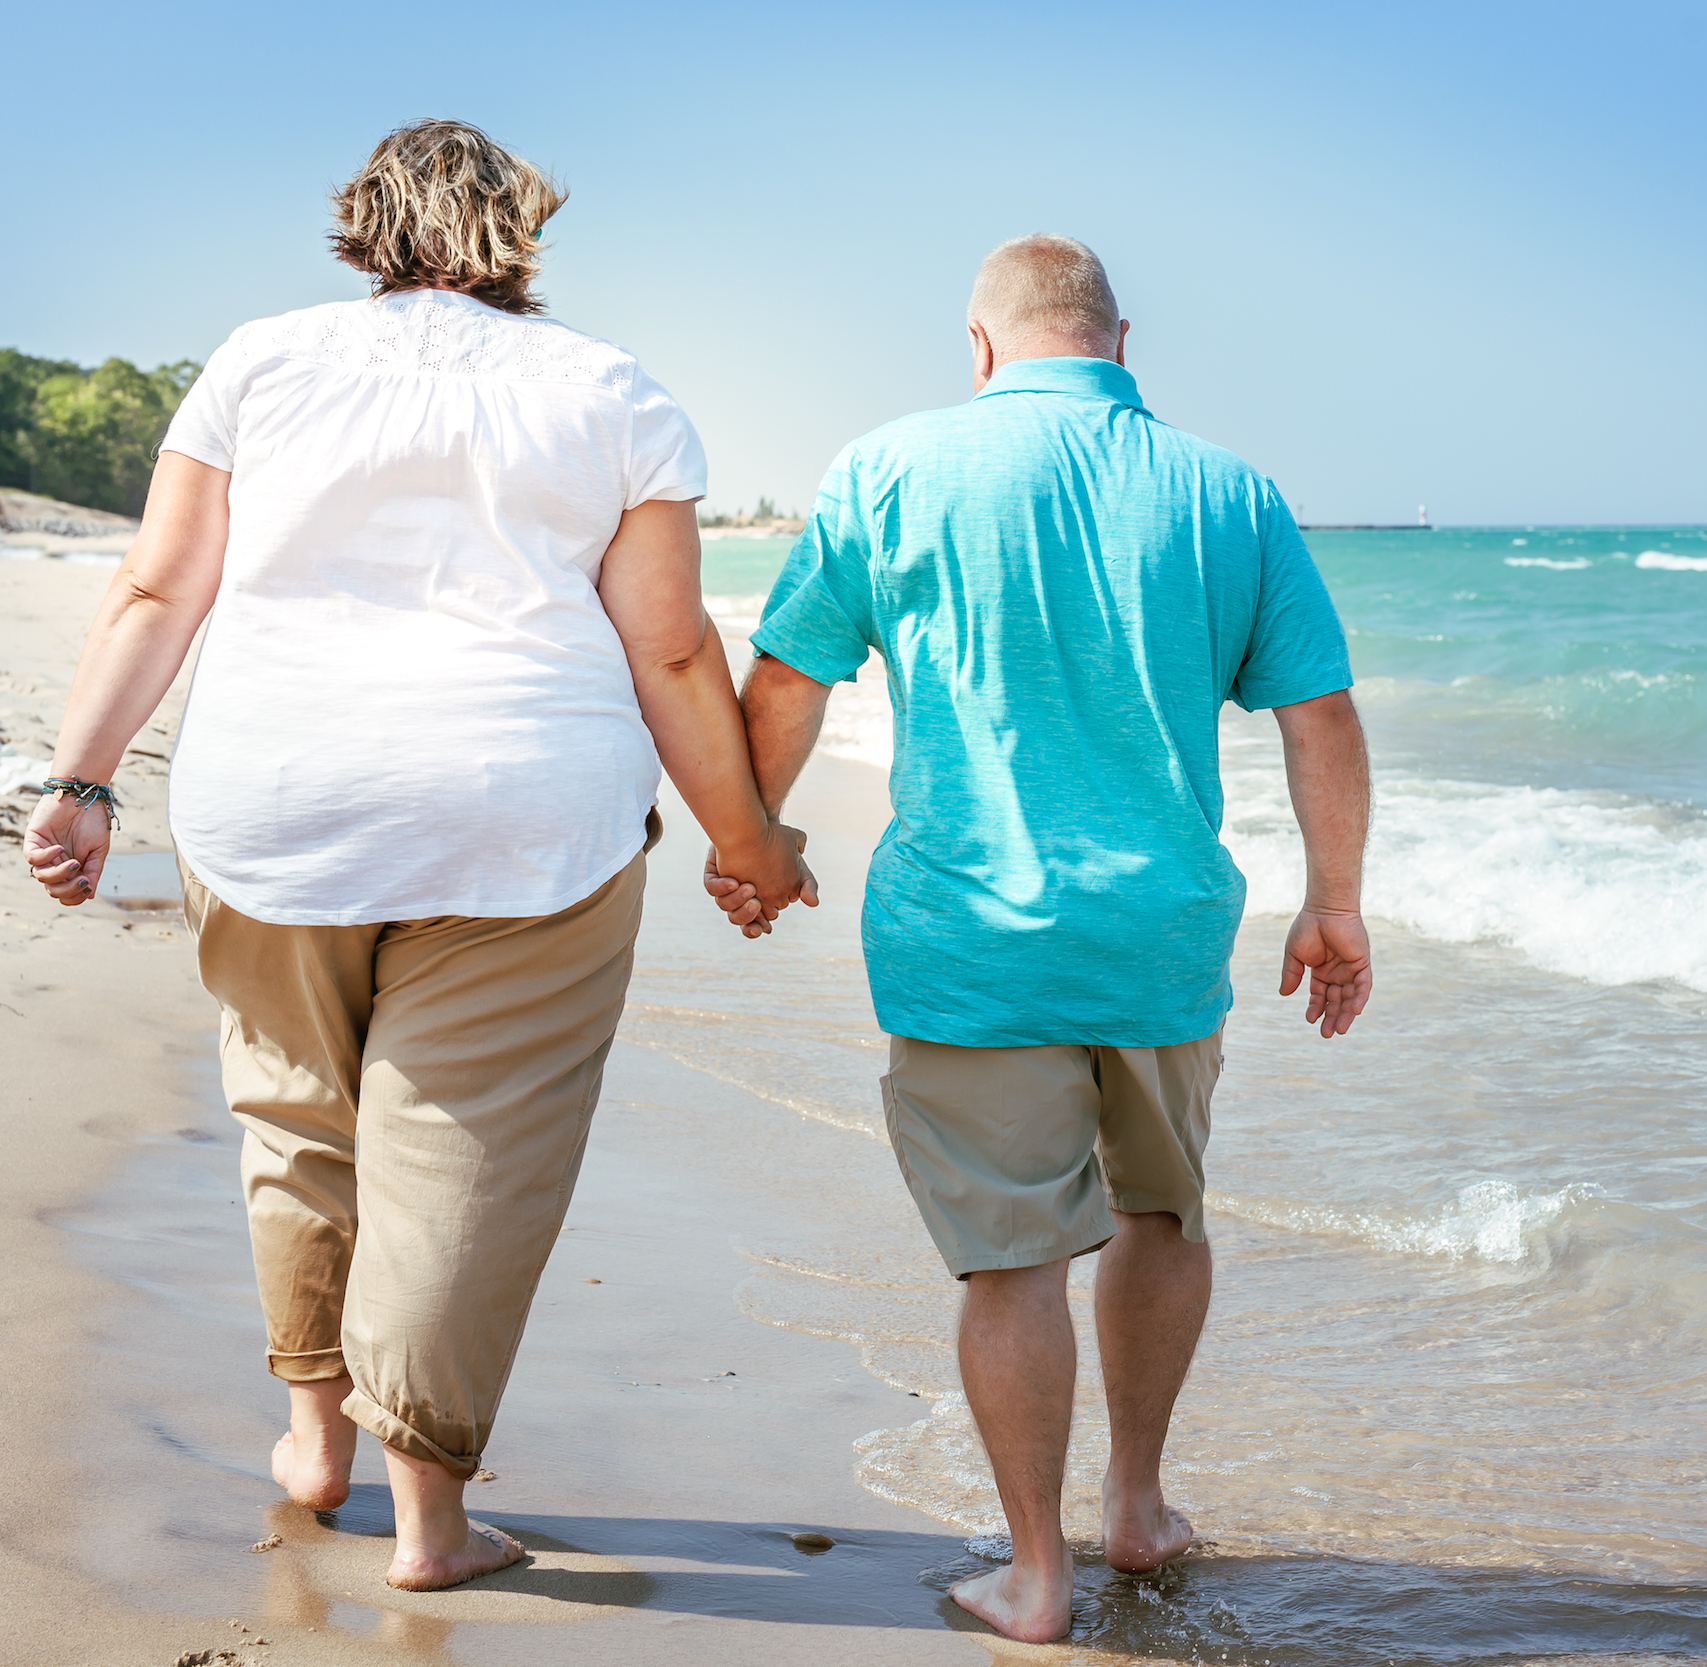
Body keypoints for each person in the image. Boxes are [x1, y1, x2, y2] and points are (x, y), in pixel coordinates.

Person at [21, 119, 811, 1591]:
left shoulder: (258, 359)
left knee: (298, 1122)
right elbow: (673, 648)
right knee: (466, 1151)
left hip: (273, 803)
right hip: (526, 818)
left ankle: (316, 1441)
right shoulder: (610, 388)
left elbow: (157, 586)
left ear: (360, 224)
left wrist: (79, 781)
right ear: (522, 230)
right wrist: (746, 840)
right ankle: (433, 1523)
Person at [712, 233, 1371, 1642]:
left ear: (979, 346)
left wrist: (752, 838)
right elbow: (1318, 712)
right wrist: (1335, 899)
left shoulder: (887, 470)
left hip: (971, 939)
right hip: (1161, 936)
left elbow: (786, 678)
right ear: (1123, 346)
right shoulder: (1228, 489)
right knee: (1163, 1212)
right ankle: (1134, 1501)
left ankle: (1036, 1571)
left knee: (1011, 1260)